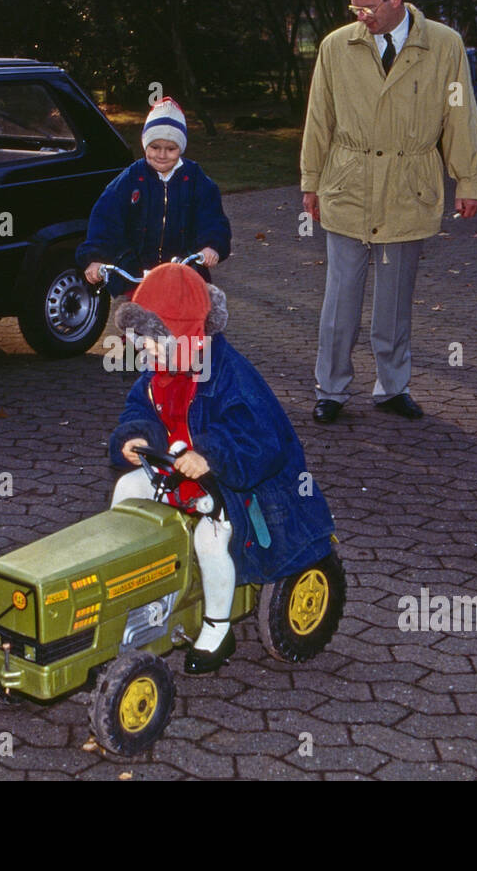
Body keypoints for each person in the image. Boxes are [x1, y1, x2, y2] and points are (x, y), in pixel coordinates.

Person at [108, 263, 335, 674]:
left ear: (187, 338)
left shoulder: (231, 377)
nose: (147, 352)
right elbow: (139, 410)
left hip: (240, 484)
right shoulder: (156, 374)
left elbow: (261, 441)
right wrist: (136, 436)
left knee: (213, 538)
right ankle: (137, 586)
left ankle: (217, 626)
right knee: (127, 489)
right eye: (142, 343)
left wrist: (209, 454)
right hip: (177, 472)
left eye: (155, 343)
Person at [301, 0, 477, 424]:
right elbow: (318, 119)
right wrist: (310, 181)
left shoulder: (445, 46)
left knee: (395, 302)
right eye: (354, 7)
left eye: (368, 7)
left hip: (409, 188)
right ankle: (332, 390)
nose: (360, 16)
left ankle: (392, 387)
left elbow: (459, 118)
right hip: (347, 186)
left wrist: (469, 180)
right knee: (340, 300)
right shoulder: (335, 47)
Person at [79, 98, 231, 297]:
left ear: (181, 148)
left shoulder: (196, 180)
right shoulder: (130, 180)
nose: (162, 155)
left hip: (185, 272)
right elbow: (105, 220)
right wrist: (95, 257)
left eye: (171, 149)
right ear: (145, 145)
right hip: (138, 274)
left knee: (198, 323)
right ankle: (133, 329)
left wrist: (211, 245)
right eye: (155, 147)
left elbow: (212, 218)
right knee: (134, 323)